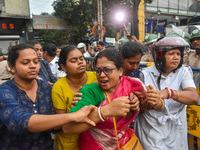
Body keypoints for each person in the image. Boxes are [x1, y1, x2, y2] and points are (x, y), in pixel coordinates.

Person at [0, 43, 96, 150]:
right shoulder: (4, 91)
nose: (33, 66)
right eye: (25, 62)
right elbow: (20, 121)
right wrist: (72, 116)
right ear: (12, 67)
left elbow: (56, 126)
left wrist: (71, 108)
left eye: (36, 62)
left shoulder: (45, 87)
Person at [62, 48, 147, 150]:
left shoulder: (133, 85)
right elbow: (68, 127)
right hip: (94, 145)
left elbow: (147, 103)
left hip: (124, 144)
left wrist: (138, 102)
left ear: (120, 71)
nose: (102, 75)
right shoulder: (91, 92)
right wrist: (103, 112)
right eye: (98, 71)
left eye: (107, 70)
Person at [134, 36, 199, 150]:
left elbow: (194, 97)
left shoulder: (183, 72)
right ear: (159, 56)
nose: (176, 57)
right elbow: (140, 106)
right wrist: (152, 102)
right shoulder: (145, 74)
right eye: (171, 54)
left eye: (178, 54)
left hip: (176, 132)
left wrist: (169, 93)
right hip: (151, 130)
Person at [51, 45, 97, 150]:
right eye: (73, 60)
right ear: (63, 67)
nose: (80, 62)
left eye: (81, 59)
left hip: (94, 140)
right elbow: (62, 124)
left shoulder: (96, 77)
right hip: (70, 143)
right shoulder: (58, 88)